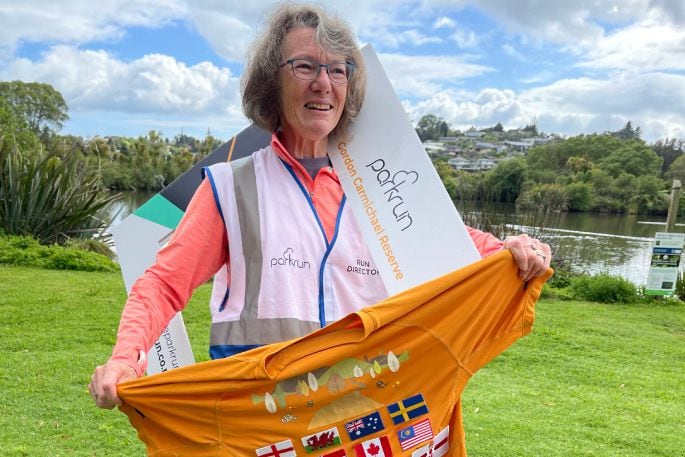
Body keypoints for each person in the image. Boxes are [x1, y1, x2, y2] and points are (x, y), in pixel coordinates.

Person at [89, 2, 551, 410]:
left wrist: (512, 248)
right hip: (258, 420)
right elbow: (164, 283)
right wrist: (125, 357)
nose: (323, 84)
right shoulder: (230, 187)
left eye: (337, 69)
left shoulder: (379, 188)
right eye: (305, 66)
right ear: (273, 79)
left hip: (362, 418)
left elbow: (458, 246)